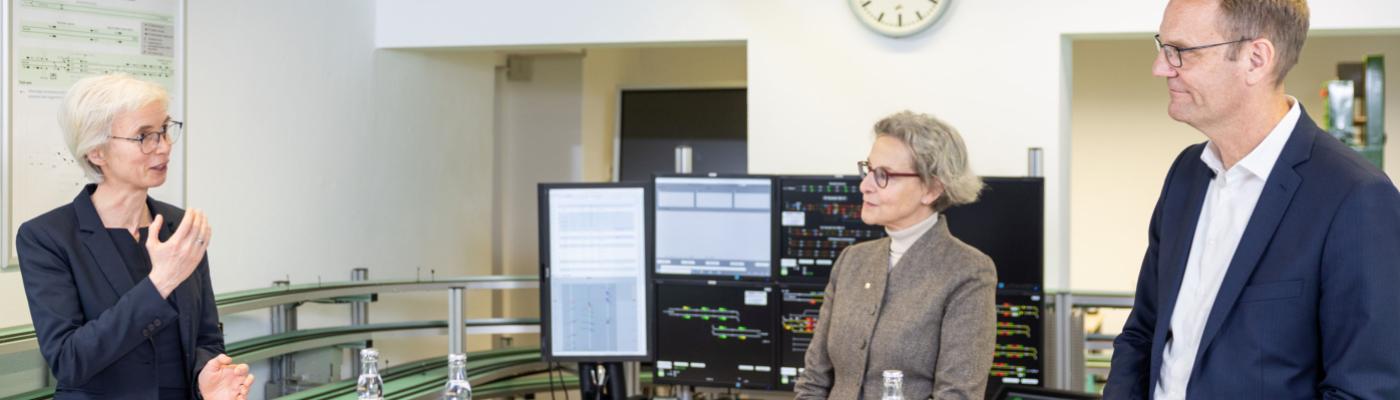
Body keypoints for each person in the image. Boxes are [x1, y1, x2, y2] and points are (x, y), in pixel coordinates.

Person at [1104, 1, 1400, 398]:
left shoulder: (1355, 197)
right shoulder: (1186, 174)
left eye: (1181, 51)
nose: (1161, 67)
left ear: (1256, 59)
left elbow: (1365, 389)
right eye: (1163, 47)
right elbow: (1142, 333)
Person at [17, 73, 255, 399]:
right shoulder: (47, 237)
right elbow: (69, 360)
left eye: (165, 131)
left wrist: (206, 381)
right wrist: (159, 285)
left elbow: (206, 339)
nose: (164, 146)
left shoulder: (179, 225)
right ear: (96, 152)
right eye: (144, 136)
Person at [795, 111, 996, 399]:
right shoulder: (852, 260)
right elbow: (813, 381)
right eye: (868, 170)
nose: (865, 186)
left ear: (931, 189)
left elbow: (958, 395)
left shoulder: (968, 271)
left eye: (883, 176)